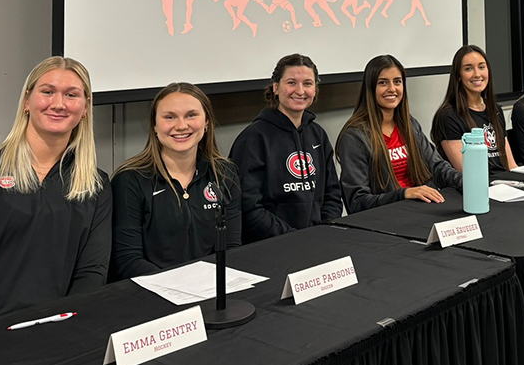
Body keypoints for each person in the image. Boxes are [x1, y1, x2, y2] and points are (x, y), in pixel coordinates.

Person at [0, 57, 111, 325]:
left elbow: (91, 275)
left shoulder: (96, 185)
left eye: (71, 95)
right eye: (47, 92)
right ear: (26, 102)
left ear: (85, 108)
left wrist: (62, 330)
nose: (58, 104)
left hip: (57, 336)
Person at [110, 83, 241, 279]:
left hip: (212, 289)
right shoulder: (130, 180)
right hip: (152, 295)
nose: (181, 125)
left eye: (191, 115)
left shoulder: (225, 174)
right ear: (154, 125)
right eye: (169, 117)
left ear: (206, 122)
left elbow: (231, 248)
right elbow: (127, 261)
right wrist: (182, 287)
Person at [229, 54, 342, 242]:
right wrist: (293, 238)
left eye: (307, 83)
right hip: (272, 246)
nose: (300, 90)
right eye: (291, 82)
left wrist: (323, 232)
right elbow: (249, 208)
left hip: (317, 242)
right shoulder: (254, 138)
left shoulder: (318, 135)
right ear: (275, 87)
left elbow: (332, 196)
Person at [336, 54, 462, 214]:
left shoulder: (409, 124)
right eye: (383, 83)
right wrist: (404, 194)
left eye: (397, 82)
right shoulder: (354, 137)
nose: (392, 89)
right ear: (370, 88)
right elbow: (357, 202)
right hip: (389, 217)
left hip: (423, 209)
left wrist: (467, 182)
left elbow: (437, 166)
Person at [431, 45, 515, 172]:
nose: (477, 74)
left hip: (507, 186)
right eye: (468, 69)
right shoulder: (448, 116)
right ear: (458, 76)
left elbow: (511, 166)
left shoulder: (495, 110)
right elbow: (467, 172)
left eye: (481, 67)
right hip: (476, 187)